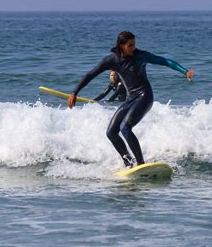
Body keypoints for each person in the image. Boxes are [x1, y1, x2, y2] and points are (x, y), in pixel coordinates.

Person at [68, 31, 194, 168]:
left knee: (125, 128)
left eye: (134, 44)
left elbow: (164, 61)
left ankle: (140, 163)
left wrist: (185, 71)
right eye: (130, 45)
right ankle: (129, 163)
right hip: (130, 99)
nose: (133, 48)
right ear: (121, 46)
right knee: (111, 132)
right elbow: (91, 74)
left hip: (144, 96)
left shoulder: (140, 56)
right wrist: (75, 92)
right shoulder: (112, 60)